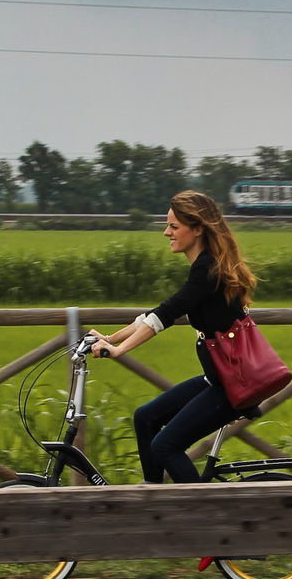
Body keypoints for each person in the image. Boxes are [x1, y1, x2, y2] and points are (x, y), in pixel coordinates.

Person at [89, 189, 261, 484]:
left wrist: (118, 351)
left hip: (234, 383)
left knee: (166, 445)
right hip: (219, 377)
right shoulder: (205, 266)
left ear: (197, 229)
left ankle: (197, 521)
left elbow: (163, 317)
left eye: (173, 226)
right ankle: (153, 497)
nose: (166, 232)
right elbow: (159, 312)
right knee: (146, 418)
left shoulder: (208, 270)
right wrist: (111, 337)